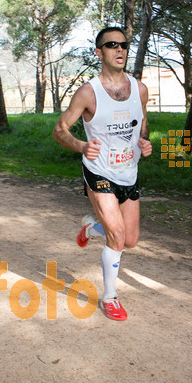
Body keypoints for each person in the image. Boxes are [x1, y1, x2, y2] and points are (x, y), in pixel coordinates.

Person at [52, 27, 153, 321]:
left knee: (130, 239)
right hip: (99, 172)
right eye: (111, 45)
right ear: (99, 52)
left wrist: (144, 141)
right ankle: (110, 297)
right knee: (118, 236)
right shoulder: (88, 92)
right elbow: (60, 131)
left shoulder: (140, 89)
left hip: (128, 171)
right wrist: (82, 146)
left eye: (123, 45)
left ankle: (91, 229)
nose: (119, 50)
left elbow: (142, 123)